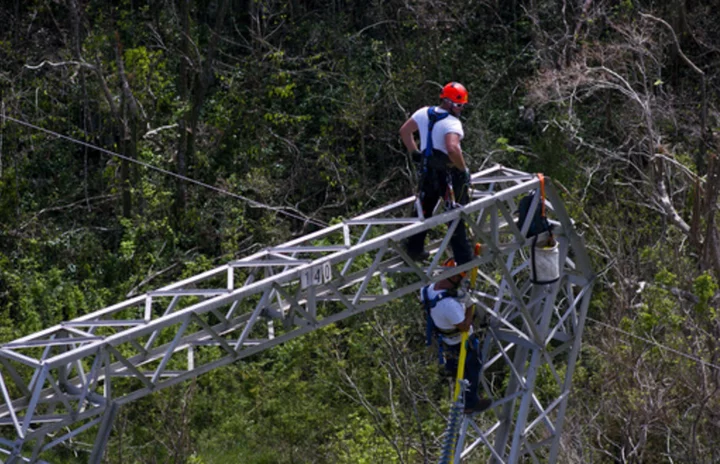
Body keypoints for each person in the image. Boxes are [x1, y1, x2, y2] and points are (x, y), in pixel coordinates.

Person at [400, 81, 473, 265]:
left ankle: (413, 249)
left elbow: (405, 131)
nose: (460, 110)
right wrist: (463, 170)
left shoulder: (423, 112)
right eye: (459, 105)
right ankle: (463, 257)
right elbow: (452, 148)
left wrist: (415, 153)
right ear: (448, 103)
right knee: (454, 213)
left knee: (423, 209)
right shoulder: (452, 123)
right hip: (447, 174)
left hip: (427, 171)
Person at [421, 259, 492, 414]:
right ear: (453, 279)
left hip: (445, 339)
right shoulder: (449, 306)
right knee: (472, 369)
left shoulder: (428, 289)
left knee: (457, 366)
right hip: (461, 341)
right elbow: (465, 326)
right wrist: (469, 305)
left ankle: (452, 372)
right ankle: (471, 403)